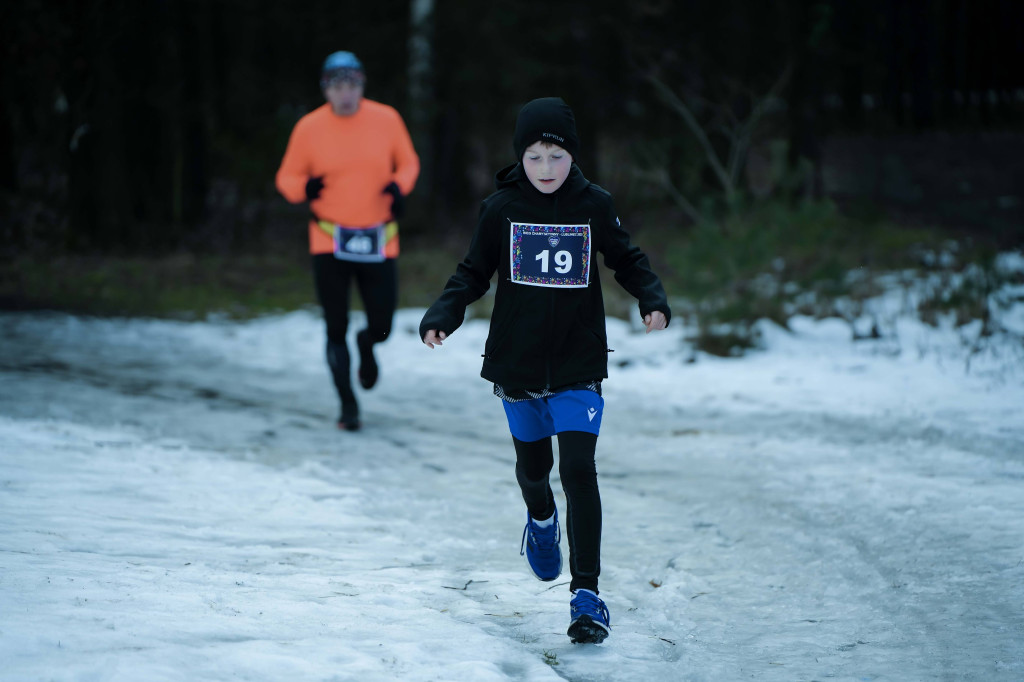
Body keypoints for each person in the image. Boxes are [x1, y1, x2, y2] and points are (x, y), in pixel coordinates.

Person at [419, 97, 670, 644]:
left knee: (579, 470)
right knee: (536, 471)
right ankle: (539, 519)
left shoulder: (594, 204)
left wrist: (651, 297)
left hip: (580, 363)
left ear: (571, 156)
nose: (547, 169)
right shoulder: (501, 209)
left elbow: (626, 258)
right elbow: (472, 272)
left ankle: (587, 596)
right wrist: (445, 312)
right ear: (521, 158)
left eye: (556, 156)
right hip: (518, 365)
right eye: (535, 157)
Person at [276, 51, 419, 431]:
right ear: (325, 88)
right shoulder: (308, 127)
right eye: (337, 86)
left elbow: (408, 163)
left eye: (352, 85)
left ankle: (368, 344)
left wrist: (399, 186)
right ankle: (348, 406)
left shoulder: (386, 119)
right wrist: (303, 187)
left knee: (383, 324)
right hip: (329, 240)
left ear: (362, 85)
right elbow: (286, 178)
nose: (345, 94)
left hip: (379, 239)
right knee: (333, 325)